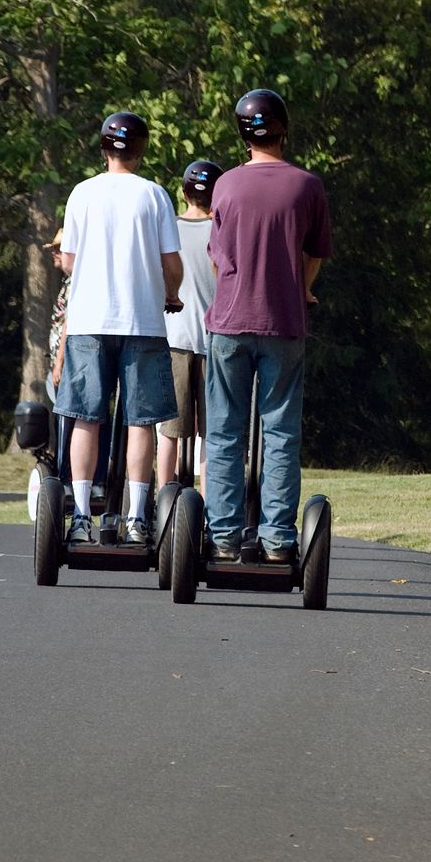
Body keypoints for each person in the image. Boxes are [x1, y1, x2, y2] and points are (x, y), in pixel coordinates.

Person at [202, 89, 332, 562]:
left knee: (224, 433)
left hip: (231, 324)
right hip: (284, 325)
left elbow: (217, 260)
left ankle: (223, 535)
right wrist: (302, 287)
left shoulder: (226, 187)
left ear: (241, 134)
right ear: (284, 128)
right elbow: (315, 252)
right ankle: (278, 538)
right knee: (280, 433)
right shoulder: (306, 186)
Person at [54, 111, 183, 546]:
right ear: (141, 150)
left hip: (90, 320)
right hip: (142, 321)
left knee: (86, 418)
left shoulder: (81, 193)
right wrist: (171, 293)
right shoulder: (155, 196)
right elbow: (171, 263)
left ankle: (81, 516)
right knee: (140, 421)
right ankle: (135, 517)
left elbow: (68, 259)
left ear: (104, 149)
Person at [158, 160, 221, 490]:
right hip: (214, 341)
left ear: (184, 192)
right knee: (212, 435)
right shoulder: (222, 232)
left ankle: (161, 501)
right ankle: (212, 510)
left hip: (175, 339)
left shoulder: (169, 231)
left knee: (169, 431)